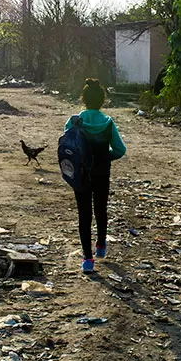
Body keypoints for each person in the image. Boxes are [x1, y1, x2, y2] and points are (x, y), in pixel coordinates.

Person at [66, 78, 126, 273]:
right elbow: (120, 149)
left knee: (84, 214)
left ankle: (87, 259)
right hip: (102, 171)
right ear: (102, 101)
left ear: (83, 99)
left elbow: (66, 144)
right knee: (101, 209)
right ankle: (101, 246)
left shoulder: (75, 121)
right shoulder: (108, 123)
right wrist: (105, 157)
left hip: (81, 173)